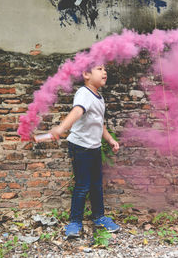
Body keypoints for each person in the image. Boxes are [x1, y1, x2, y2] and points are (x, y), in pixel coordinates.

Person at [49, 64, 120, 238]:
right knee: (82, 186)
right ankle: (74, 222)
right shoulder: (84, 93)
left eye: (105, 69)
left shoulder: (99, 97)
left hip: (94, 148)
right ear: (86, 74)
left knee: (96, 185)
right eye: (99, 68)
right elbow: (77, 111)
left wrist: (110, 139)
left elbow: (99, 124)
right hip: (80, 147)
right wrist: (61, 128)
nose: (105, 72)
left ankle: (99, 217)